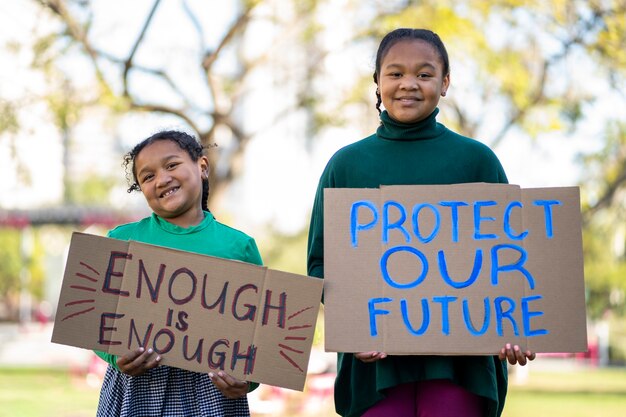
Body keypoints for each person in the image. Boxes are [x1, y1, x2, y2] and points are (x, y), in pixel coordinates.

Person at [307, 28, 535, 417]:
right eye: (395, 73)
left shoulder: (477, 161)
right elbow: (320, 264)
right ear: (377, 83)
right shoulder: (346, 165)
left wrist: (514, 325)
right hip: (374, 365)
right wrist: (352, 325)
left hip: (460, 366)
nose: (408, 84)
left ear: (445, 83)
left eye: (424, 74)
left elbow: (508, 263)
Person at [94, 130, 262, 417]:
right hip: (138, 385)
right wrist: (114, 355)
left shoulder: (239, 246)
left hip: (212, 387)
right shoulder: (121, 240)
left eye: (171, 165)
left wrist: (247, 382)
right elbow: (97, 318)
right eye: (147, 177)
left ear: (203, 167)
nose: (161, 179)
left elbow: (259, 331)